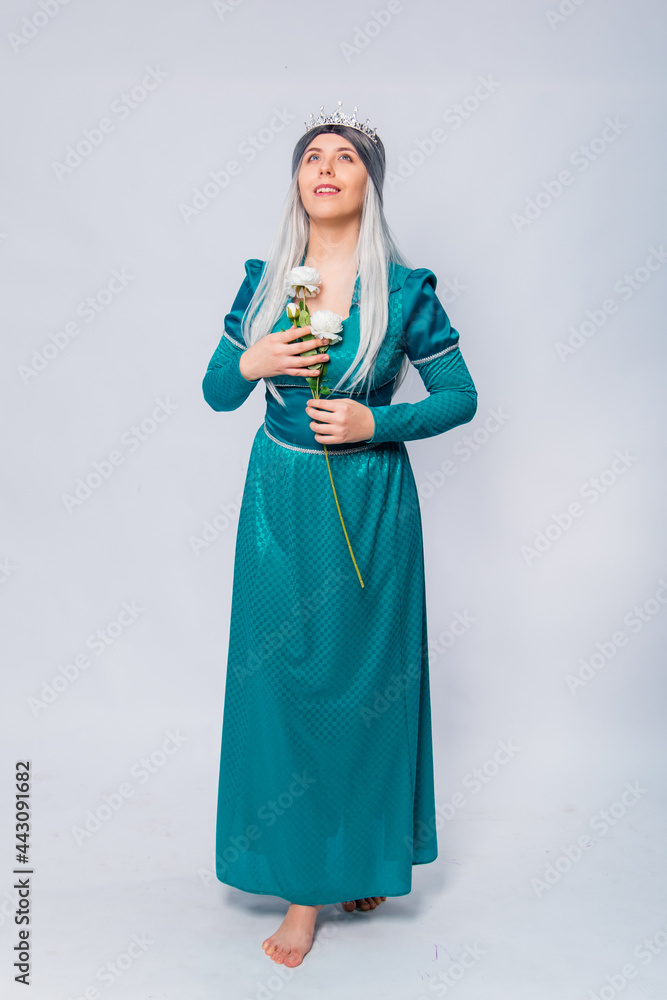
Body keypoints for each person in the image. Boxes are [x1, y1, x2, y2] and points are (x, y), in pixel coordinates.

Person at [202, 102, 478, 968]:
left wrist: (375, 422)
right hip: (278, 501)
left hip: (369, 502)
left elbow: (461, 396)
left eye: (345, 157)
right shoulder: (266, 283)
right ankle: (304, 887)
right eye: (312, 156)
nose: (325, 167)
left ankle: (357, 855)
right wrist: (253, 361)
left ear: (369, 183)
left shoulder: (404, 291)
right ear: (296, 180)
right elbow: (216, 392)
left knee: (366, 686)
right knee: (288, 680)